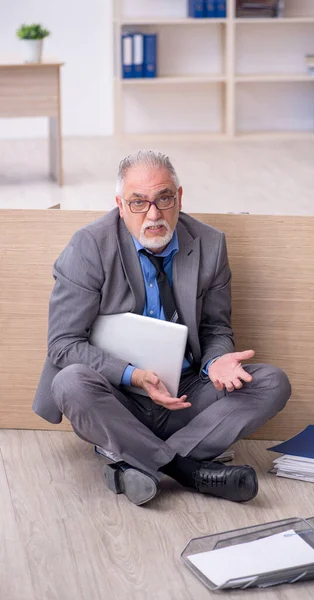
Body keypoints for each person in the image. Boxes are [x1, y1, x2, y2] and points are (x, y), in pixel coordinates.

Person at [33, 151, 291, 506]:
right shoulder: (89, 246)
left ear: (179, 197)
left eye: (164, 198)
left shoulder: (210, 244)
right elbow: (62, 344)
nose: (153, 214)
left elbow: (216, 327)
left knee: (271, 382)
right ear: (120, 205)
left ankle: (133, 460)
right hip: (118, 397)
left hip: (186, 396)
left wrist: (215, 362)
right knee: (69, 382)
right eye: (138, 202)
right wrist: (134, 376)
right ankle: (189, 471)